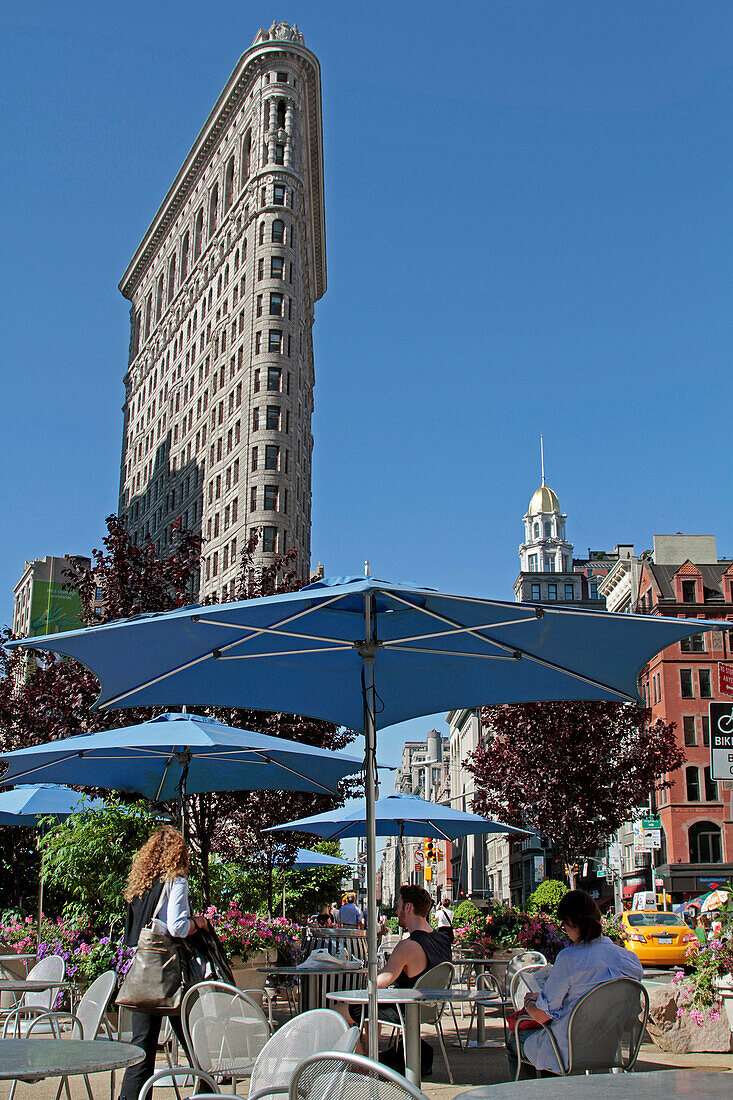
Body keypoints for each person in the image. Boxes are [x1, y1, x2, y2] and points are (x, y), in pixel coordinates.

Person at [508, 890, 643, 1079]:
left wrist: (530, 1002)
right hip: (609, 1047)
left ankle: (530, 1093)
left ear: (573, 923)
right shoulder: (630, 960)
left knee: (515, 1040)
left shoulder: (570, 959)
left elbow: (541, 1015)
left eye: (564, 926)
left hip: (568, 1048)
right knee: (550, 1043)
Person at [118, 826, 207, 1100]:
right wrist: (199, 923)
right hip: (170, 973)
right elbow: (177, 927)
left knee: (142, 1045)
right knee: (194, 1043)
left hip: (144, 972)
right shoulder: (176, 880)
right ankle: (207, 1092)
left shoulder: (140, 886)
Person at [334, 884, 453, 1072]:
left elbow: (379, 982)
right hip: (430, 1009)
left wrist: (370, 971)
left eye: (398, 905)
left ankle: (362, 1064)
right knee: (369, 1010)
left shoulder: (408, 946)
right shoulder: (443, 940)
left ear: (408, 908)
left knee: (337, 1012)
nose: (396, 911)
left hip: (405, 1010)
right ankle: (369, 1058)